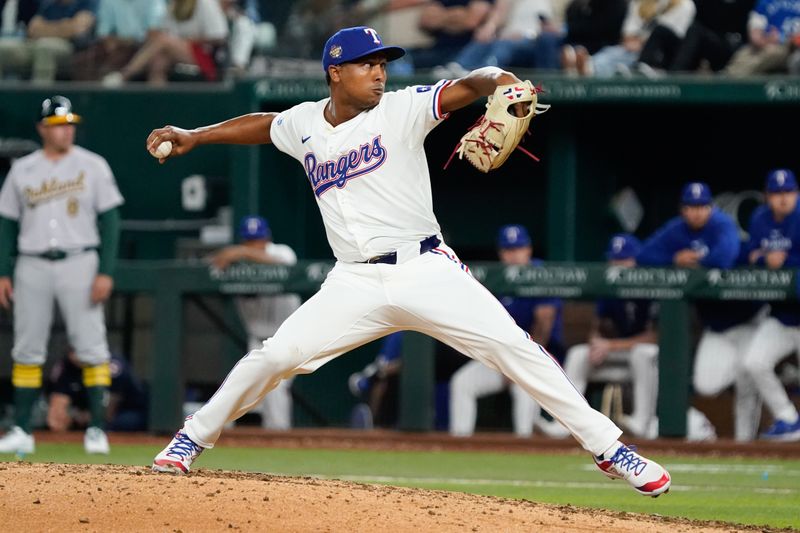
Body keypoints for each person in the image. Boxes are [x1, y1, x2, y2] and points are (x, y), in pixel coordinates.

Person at [146, 25, 671, 498]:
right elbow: (266, 124)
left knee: (515, 347)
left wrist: (502, 77)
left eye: (383, 63)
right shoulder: (305, 123)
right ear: (336, 72)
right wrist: (196, 135)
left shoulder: (403, 107)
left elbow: (470, 83)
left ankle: (609, 448)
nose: (380, 72)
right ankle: (189, 441)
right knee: (275, 356)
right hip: (353, 281)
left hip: (425, 268)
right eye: (368, 64)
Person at [0, 96, 124, 455]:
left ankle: (97, 430)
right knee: (26, 347)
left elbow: (111, 220)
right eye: (58, 124)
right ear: (42, 129)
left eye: (69, 123)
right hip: (32, 261)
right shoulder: (23, 169)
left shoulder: (93, 165)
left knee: (91, 346)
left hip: (79, 259)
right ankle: (22, 429)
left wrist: (105, 271)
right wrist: (3, 271)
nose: (66, 130)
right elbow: (7, 224)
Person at [637, 182, 766, 442]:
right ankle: (743, 372)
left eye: (702, 207)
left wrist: (694, 261)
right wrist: (673, 259)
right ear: (683, 210)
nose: (697, 212)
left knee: (747, 372)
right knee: (706, 385)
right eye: (691, 207)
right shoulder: (677, 230)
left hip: (749, 318)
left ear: (711, 207)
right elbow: (644, 255)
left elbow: (724, 258)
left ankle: (745, 443)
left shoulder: (722, 224)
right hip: (717, 325)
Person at [449, 224, 566, 438]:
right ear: (501, 253)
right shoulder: (496, 278)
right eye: (508, 250)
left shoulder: (541, 274)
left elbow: (544, 323)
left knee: (524, 389)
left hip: (536, 358)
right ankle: (461, 444)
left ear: (529, 250)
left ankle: (525, 446)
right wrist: (501, 361)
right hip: (501, 357)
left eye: (519, 249)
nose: (514, 255)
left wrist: (518, 364)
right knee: (462, 382)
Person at [554, 234, 660, 439]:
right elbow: (597, 326)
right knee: (578, 354)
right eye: (614, 260)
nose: (617, 265)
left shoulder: (651, 284)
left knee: (643, 353)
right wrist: (595, 342)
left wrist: (611, 345)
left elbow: (655, 337)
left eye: (623, 260)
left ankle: (641, 422)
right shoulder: (609, 286)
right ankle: (565, 423)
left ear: (636, 261)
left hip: (649, 363)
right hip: (617, 357)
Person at [208, 215, 301, 430]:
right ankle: (224, 439)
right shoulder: (235, 264)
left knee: (275, 387)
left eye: (258, 240)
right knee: (240, 386)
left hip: (289, 337)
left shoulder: (282, 251)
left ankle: (280, 440)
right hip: (256, 341)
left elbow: (288, 264)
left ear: (267, 238)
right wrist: (225, 257)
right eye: (249, 241)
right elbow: (211, 269)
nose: (254, 246)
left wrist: (241, 252)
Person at [740, 169, 800, 441]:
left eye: (788, 192)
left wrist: (785, 261)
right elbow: (750, 254)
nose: (783, 199)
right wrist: (765, 259)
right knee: (754, 362)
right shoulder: (760, 218)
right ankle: (788, 418)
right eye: (777, 194)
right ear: (767, 197)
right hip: (782, 316)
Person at [102, 0, 228, 86]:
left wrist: (190, 40)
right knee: (158, 60)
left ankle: (124, 75)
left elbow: (219, 36)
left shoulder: (205, 3)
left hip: (207, 56)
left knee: (162, 40)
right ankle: (159, 104)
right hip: (181, 49)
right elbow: (169, 31)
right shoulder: (174, 5)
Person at [47, 347, 149, 439]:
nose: (77, 356)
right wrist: (63, 418)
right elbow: (57, 405)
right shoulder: (66, 366)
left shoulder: (112, 363)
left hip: (126, 410)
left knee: (119, 424)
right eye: (73, 351)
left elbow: (109, 411)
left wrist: (87, 417)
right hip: (86, 413)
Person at [0, 0, 96, 82]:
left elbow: (78, 28)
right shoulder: (48, 4)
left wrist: (45, 29)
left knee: (44, 48)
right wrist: (65, 26)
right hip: (34, 43)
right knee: (2, 48)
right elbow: (32, 29)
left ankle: (39, 99)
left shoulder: (86, 3)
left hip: (69, 47)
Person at [724, 0, 800, 77]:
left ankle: (732, 80)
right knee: (744, 52)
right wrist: (766, 41)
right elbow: (755, 34)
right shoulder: (765, 2)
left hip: (791, 47)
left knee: (772, 52)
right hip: (767, 43)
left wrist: (791, 40)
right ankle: (724, 79)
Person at [348, 331, 404, 429]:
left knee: (381, 379)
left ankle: (375, 423)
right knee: (378, 378)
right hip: (385, 380)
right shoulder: (394, 334)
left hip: (402, 385)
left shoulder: (410, 335)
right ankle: (372, 424)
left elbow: (407, 363)